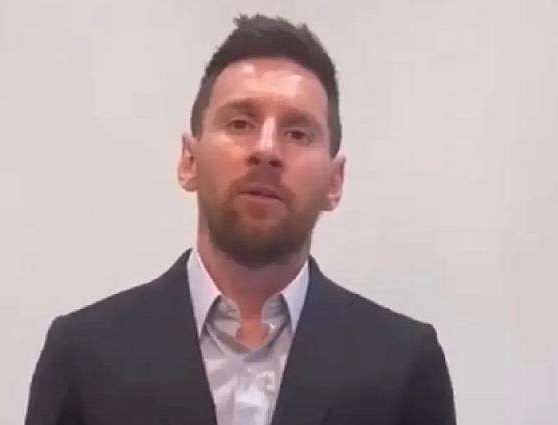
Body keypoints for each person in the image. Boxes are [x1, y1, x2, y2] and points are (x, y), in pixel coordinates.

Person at [25, 14, 456, 425]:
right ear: (189, 160)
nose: (266, 149)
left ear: (334, 181)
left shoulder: (405, 364)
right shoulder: (83, 354)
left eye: (297, 133)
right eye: (240, 123)